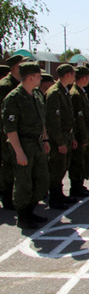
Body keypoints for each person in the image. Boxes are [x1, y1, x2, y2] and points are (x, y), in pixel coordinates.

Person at [2, 62, 50, 228]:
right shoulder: (14, 98)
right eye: (38, 76)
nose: (40, 79)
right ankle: (23, 216)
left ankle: (31, 210)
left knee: (41, 180)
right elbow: (10, 129)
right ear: (30, 77)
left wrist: (45, 139)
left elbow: (42, 119)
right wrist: (18, 152)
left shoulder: (36, 94)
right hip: (23, 144)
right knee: (24, 182)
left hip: (37, 143)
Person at [45, 64, 77, 210]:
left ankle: (60, 195)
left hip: (66, 135)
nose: (74, 77)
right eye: (73, 74)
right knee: (56, 168)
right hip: (59, 137)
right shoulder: (54, 93)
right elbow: (53, 122)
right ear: (68, 74)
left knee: (62, 167)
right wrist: (59, 142)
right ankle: (54, 198)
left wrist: (72, 137)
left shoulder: (64, 91)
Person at [0, 55, 27, 210]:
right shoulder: (5, 85)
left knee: (17, 164)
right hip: (6, 132)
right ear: (16, 67)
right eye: (22, 64)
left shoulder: (20, 84)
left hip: (20, 130)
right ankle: (6, 195)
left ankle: (16, 194)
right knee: (8, 164)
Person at [69, 66, 89, 197]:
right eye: (88, 77)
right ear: (84, 78)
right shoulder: (75, 94)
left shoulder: (80, 92)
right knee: (77, 162)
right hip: (79, 135)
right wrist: (82, 137)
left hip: (83, 133)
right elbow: (76, 119)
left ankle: (80, 185)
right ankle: (76, 188)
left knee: (84, 160)